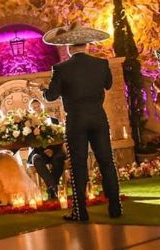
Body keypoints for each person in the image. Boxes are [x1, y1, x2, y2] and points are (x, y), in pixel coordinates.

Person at [39, 24, 122, 221]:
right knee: (106, 162)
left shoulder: (61, 68)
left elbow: (51, 96)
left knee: (78, 164)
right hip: (98, 117)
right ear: (87, 45)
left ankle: (80, 211)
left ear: (69, 47)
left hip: (76, 119)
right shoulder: (101, 64)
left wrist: (44, 89)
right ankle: (115, 208)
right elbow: (108, 84)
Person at [27, 99, 66, 200]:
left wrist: (52, 150)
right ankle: (53, 187)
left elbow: (60, 138)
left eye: (38, 106)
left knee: (59, 159)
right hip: (39, 152)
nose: (37, 109)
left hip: (55, 151)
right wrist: (44, 151)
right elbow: (31, 142)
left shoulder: (54, 121)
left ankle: (51, 188)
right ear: (31, 110)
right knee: (36, 159)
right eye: (34, 107)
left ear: (42, 107)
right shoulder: (29, 125)